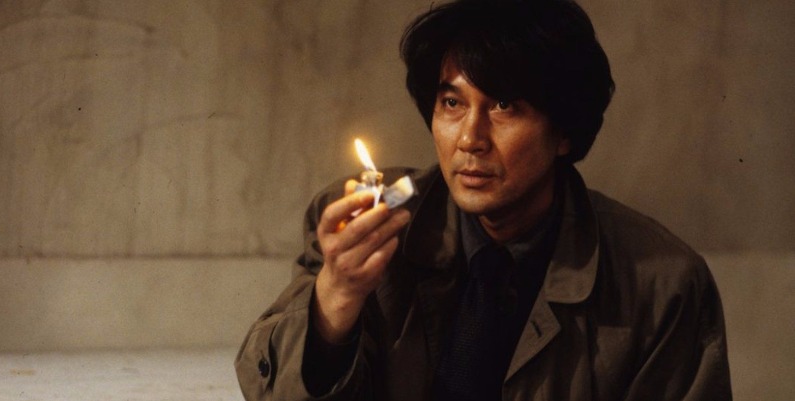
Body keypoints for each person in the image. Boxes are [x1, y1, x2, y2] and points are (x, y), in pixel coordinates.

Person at [235, 0, 732, 400]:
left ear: (563, 131)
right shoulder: (368, 224)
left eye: (504, 106)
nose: (470, 138)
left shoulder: (662, 285)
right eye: (452, 103)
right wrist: (337, 295)